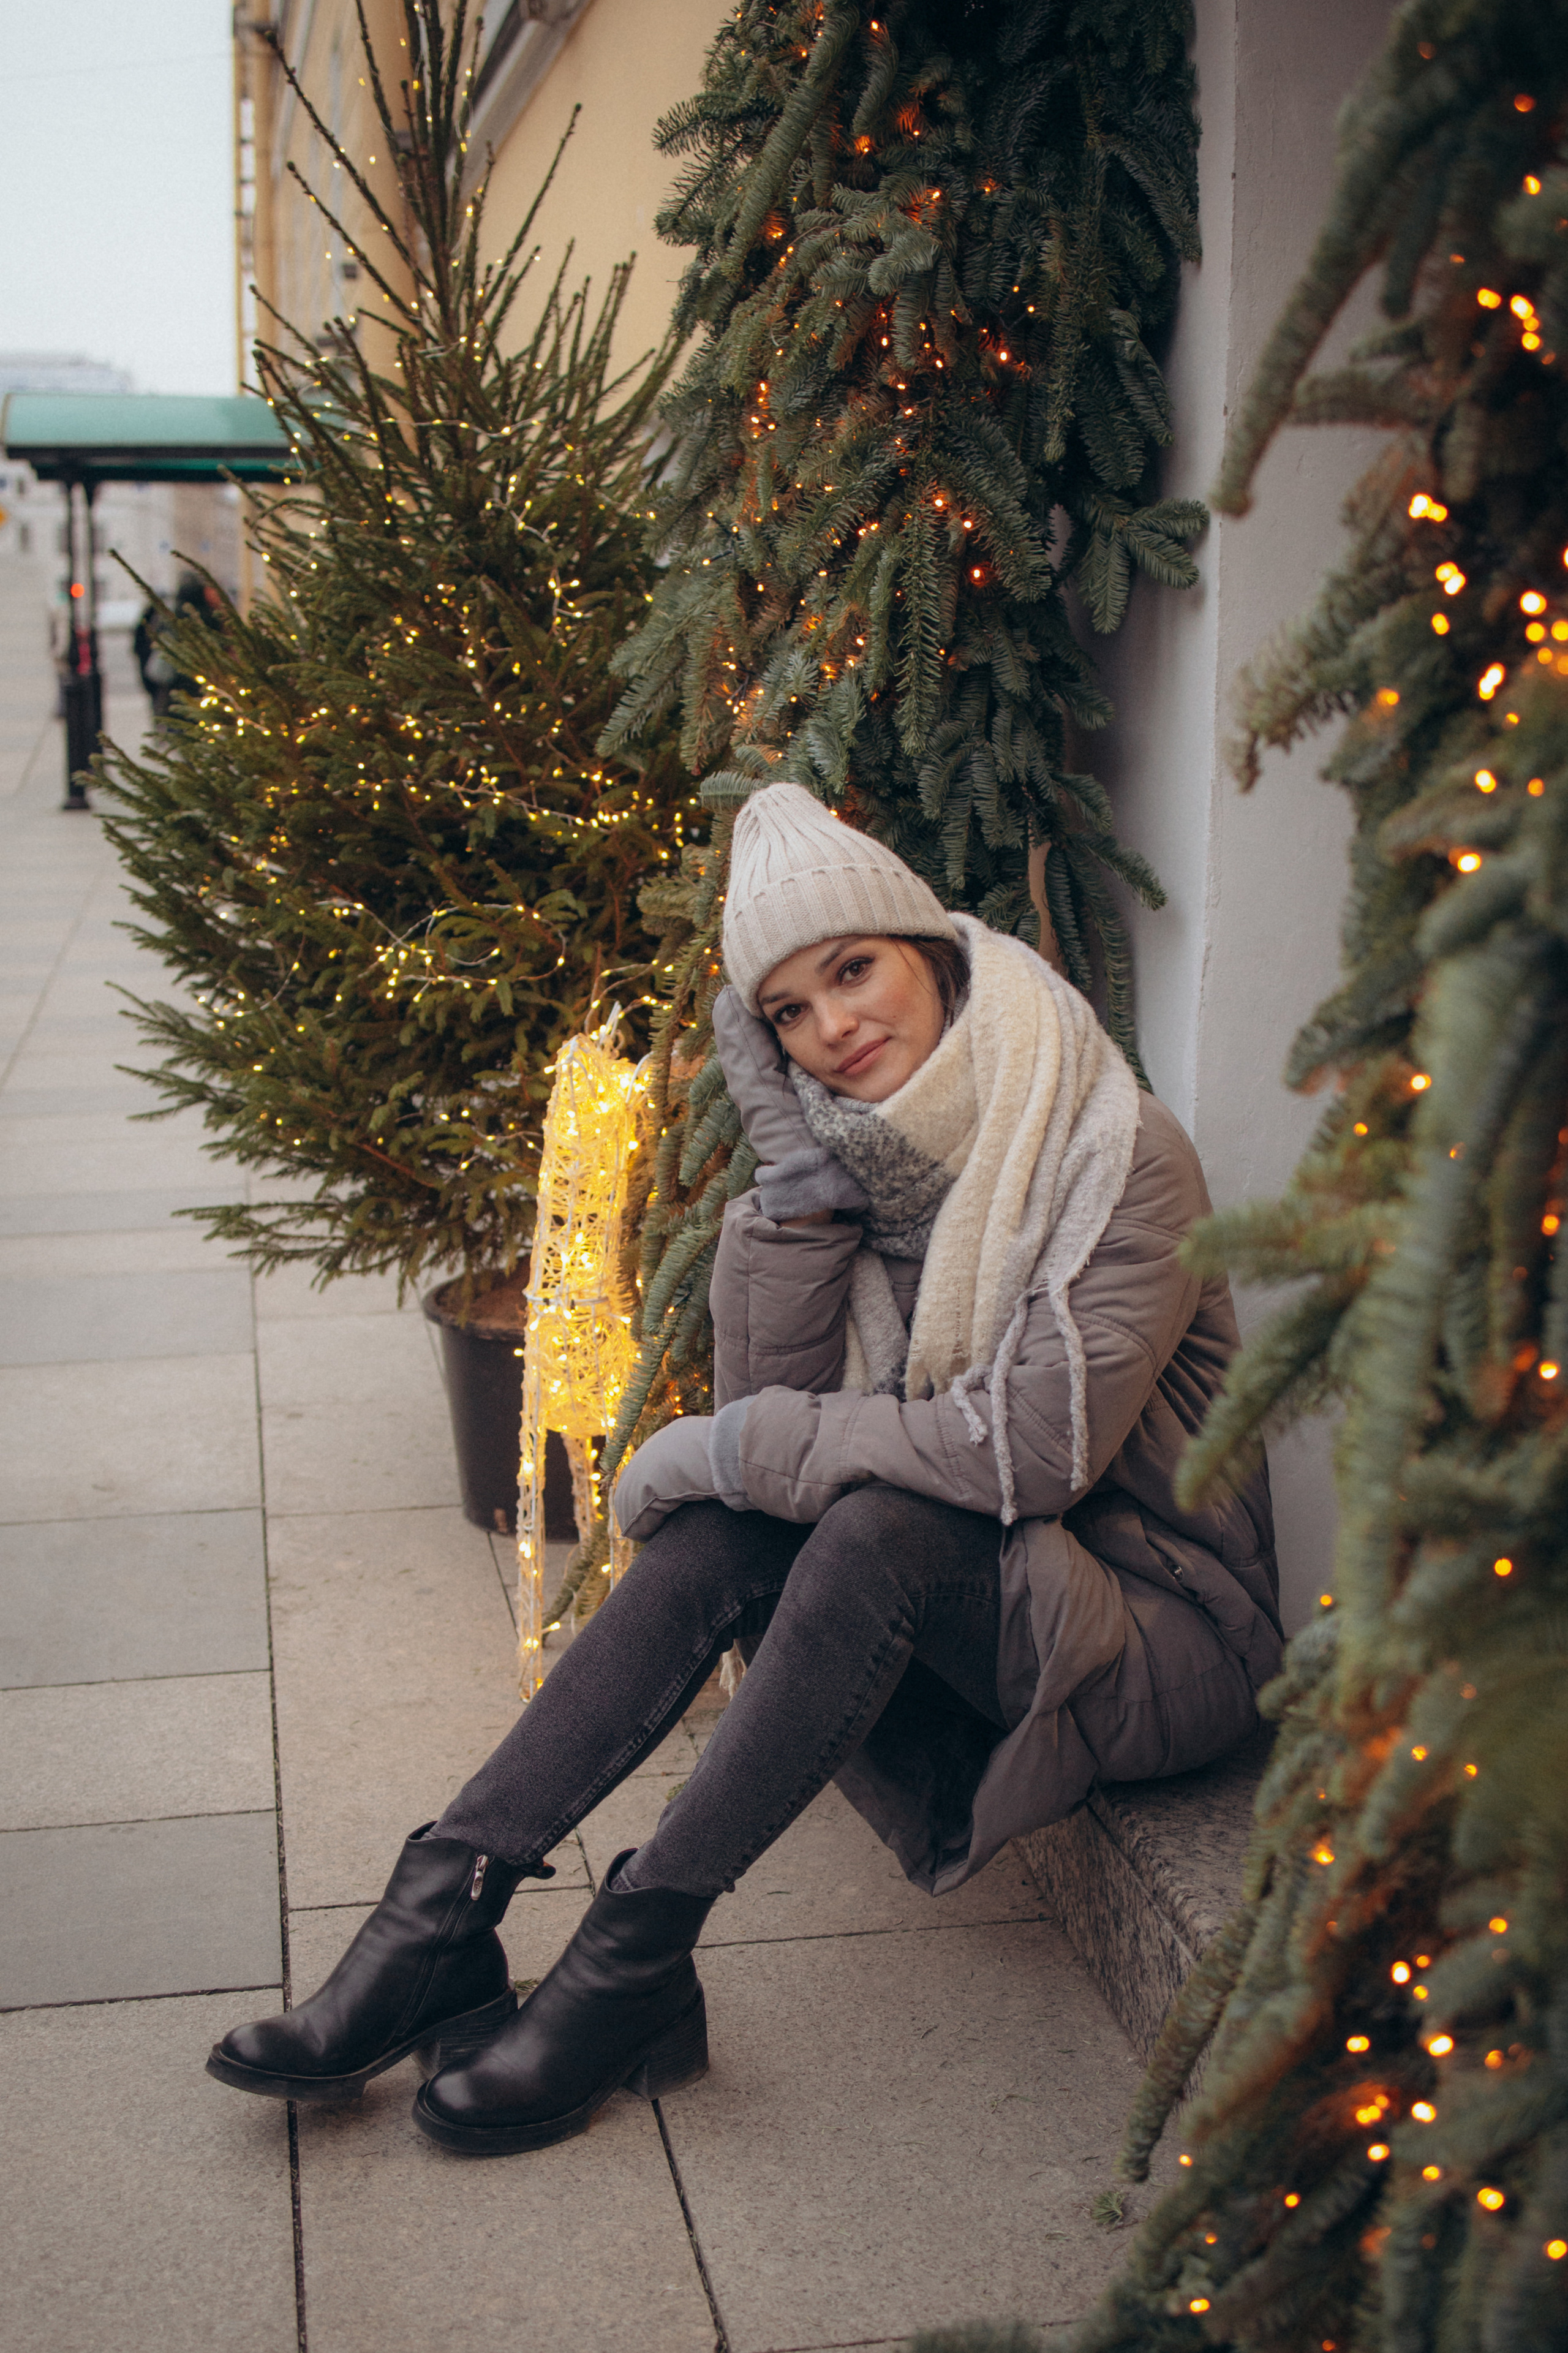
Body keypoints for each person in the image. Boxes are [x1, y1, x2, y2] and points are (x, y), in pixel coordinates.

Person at [208, 780, 1280, 2158]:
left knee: (863, 1520)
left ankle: (634, 1950)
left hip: (1155, 1633)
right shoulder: (856, 1163)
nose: (833, 1025)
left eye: (852, 970)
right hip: (991, 1604)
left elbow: (1033, 1450)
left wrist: (726, 1442)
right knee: (737, 1524)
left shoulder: (1106, 1145)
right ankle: (443, 1913)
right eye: (787, 1010)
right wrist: (794, 1182)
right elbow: (779, 1432)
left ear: (930, 954)